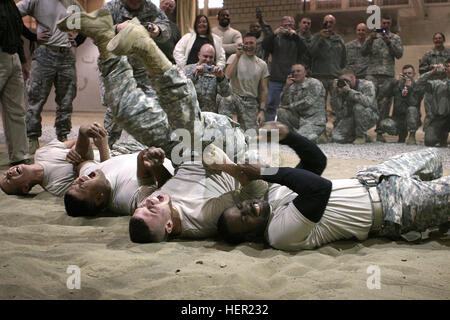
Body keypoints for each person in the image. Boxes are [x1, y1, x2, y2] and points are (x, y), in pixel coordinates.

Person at [57, 11, 267, 228]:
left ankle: (102, 36)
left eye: (141, 208)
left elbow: (160, 185)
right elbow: (256, 191)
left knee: (127, 115)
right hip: (223, 146)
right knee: (186, 125)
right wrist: (228, 166)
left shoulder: (150, 201)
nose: (146, 204)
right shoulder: (202, 218)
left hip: (182, 153)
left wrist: (154, 165)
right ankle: (144, 45)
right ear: (168, 226)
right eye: (148, 210)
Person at [216, 122, 449, 251]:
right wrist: (266, 172)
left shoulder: (275, 195)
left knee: (433, 157)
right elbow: (319, 188)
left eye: (241, 206)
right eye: (244, 218)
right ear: (250, 237)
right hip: (395, 207)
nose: (247, 208)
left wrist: (288, 136)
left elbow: (317, 162)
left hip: (379, 176)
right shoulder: (280, 234)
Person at [16, 0, 86, 154]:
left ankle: (63, 137)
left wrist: (78, 40)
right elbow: (12, 14)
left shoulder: (73, 3)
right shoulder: (36, 1)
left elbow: (88, 23)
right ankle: (32, 138)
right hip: (44, 54)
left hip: (66, 55)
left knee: (66, 101)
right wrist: (33, 36)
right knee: (35, 100)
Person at [101, 0, 172, 148]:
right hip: (117, 69)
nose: (135, 2)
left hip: (142, 70)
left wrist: (156, 29)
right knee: (116, 112)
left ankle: (153, 151)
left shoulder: (151, 8)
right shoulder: (111, 7)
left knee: (153, 107)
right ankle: (105, 149)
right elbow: (97, 31)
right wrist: (117, 28)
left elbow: (167, 28)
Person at [0, 123, 109, 197]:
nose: (9, 173)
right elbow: (94, 172)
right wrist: (99, 145)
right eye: (8, 180)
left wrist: (73, 149)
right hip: (111, 161)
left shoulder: (41, 153)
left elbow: (74, 142)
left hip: (115, 150)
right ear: (25, 188)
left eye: (5, 174)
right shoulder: (56, 187)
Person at [0, 0, 33, 167]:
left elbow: (17, 31)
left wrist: (22, 60)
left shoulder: (10, 4)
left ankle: (19, 155)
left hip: (12, 56)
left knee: (17, 110)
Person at [362, 15, 403, 143]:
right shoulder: (373, 36)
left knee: (385, 104)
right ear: (380, 24)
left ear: (391, 24)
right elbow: (363, 52)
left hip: (387, 75)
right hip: (372, 74)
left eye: (388, 23)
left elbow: (399, 54)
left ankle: (380, 131)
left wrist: (389, 42)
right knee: (367, 102)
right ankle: (362, 131)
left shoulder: (395, 38)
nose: (385, 25)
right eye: (383, 23)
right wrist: (369, 39)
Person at [309, 14, 347, 143]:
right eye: (326, 22)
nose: (329, 24)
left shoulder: (339, 40)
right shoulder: (316, 37)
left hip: (334, 77)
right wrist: (321, 39)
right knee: (320, 107)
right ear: (323, 23)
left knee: (338, 105)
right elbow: (311, 54)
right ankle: (321, 133)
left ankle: (338, 131)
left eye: (331, 22)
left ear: (334, 24)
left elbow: (343, 60)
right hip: (319, 76)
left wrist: (337, 71)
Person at [262, 16, 308, 121]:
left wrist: (296, 36)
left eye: (290, 25)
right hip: (276, 79)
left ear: (294, 26)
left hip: (292, 80)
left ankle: (287, 133)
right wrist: (274, 33)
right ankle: (270, 132)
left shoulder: (297, 39)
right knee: (271, 107)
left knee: (290, 107)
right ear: (281, 26)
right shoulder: (276, 38)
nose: (287, 28)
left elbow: (305, 50)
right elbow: (265, 45)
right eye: (285, 25)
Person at [223, 33, 269, 131]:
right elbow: (227, 76)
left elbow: (264, 89)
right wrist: (237, 57)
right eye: (246, 43)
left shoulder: (262, 64)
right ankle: (226, 127)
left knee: (251, 135)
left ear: (256, 44)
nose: (249, 46)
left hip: (250, 101)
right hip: (235, 96)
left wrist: (261, 111)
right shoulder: (233, 57)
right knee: (224, 98)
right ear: (243, 45)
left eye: (251, 43)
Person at [277, 64, 326, 143]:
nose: (296, 73)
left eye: (298, 71)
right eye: (293, 72)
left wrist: (289, 106)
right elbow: (283, 103)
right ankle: (290, 135)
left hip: (314, 120)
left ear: (305, 73)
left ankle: (318, 136)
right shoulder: (292, 86)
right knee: (281, 112)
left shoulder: (314, 83)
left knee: (301, 139)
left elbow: (308, 102)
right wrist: (286, 86)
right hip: (300, 119)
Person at [330, 68, 377, 144]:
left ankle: (361, 136)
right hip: (350, 117)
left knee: (358, 107)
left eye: (346, 80)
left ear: (352, 77)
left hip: (368, 116)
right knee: (336, 138)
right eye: (341, 80)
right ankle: (358, 135)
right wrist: (335, 92)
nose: (345, 82)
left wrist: (349, 91)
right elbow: (337, 108)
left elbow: (367, 102)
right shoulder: (341, 88)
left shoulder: (367, 85)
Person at [378, 64, 422, 145]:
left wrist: (409, 88)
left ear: (414, 74)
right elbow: (384, 94)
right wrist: (394, 82)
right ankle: (401, 134)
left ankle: (412, 136)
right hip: (398, 118)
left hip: (411, 119)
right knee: (384, 124)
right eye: (405, 74)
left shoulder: (417, 87)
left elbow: (414, 103)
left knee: (412, 109)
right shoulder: (398, 85)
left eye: (409, 73)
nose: (407, 76)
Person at [184, 44, 232, 113]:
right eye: (205, 56)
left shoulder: (216, 72)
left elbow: (226, 93)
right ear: (199, 55)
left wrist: (221, 78)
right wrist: (194, 74)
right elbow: (181, 88)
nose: (208, 60)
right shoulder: (188, 69)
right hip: (191, 114)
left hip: (209, 116)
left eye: (211, 57)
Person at [414, 60, 450, 147]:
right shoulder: (438, 83)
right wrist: (432, 72)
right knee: (430, 141)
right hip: (439, 118)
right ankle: (442, 136)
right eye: (448, 66)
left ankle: (444, 137)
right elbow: (417, 83)